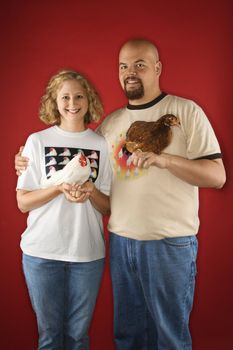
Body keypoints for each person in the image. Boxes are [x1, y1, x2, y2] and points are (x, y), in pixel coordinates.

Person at [15, 39, 226, 350]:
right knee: (128, 337)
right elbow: (77, 153)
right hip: (121, 243)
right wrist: (25, 157)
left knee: (169, 337)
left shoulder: (185, 111)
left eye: (140, 65)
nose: (131, 72)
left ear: (157, 68)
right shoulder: (110, 126)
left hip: (168, 243)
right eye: (124, 66)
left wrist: (164, 160)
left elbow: (217, 176)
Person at [15, 69, 112, 350]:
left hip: (88, 254)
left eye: (79, 96)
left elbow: (108, 207)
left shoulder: (100, 144)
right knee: (49, 337)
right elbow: (23, 201)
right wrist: (58, 188)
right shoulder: (37, 141)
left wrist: (92, 191)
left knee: (78, 337)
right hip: (41, 253)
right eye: (65, 96)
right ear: (54, 102)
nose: (72, 103)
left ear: (88, 99)